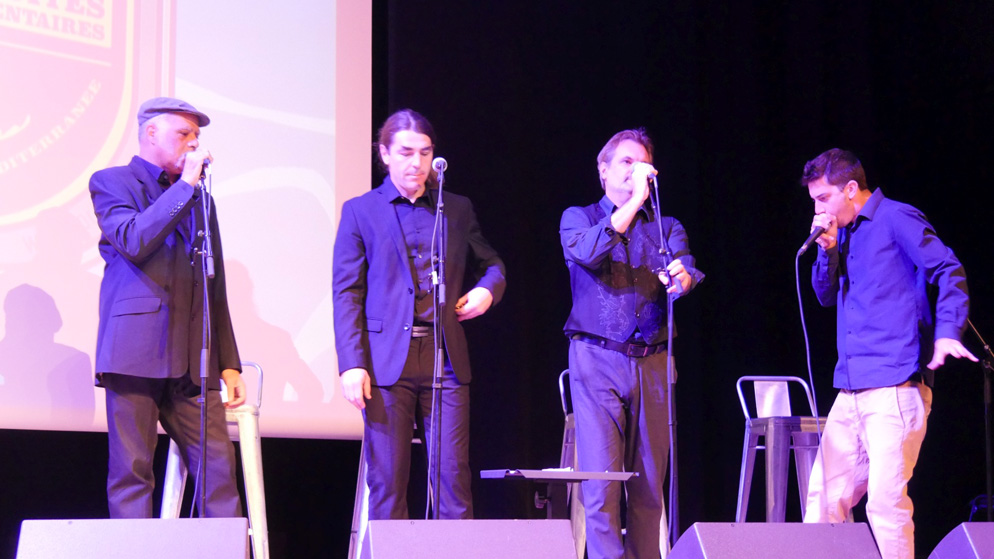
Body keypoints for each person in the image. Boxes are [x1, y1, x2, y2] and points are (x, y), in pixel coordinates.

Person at [801, 148, 976, 559]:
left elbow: (948, 268)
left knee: (884, 505)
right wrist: (826, 250)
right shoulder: (842, 234)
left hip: (894, 387)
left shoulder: (896, 218)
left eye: (823, 198)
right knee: (823, 502)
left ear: (850, 189)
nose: (818, 209)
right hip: (850, 390)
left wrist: (948, 332)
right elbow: (825, 296)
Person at [333, 109, 506, 519]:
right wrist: (352, 363)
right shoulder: (360, 211)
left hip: (444, 357)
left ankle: (454, 549)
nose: (417, 163)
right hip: (385, 360)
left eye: (425, 153)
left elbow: (492, 264)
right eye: (406, 153)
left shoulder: (455, 208)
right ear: (384, 154)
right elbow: (347, 292)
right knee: (388, 482)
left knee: (453, 479)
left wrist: (487, 290)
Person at [89, 97, 246, 518]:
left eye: (197, 135)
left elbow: (214, 285)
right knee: (133, 470)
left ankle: (225, 548)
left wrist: (229, 364)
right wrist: (184, 188)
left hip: (193, 363)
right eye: (184, 133)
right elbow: (134, 239)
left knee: (218, 471)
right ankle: (135, 548)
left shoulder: (200, 200)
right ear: (151, 133)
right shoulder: (112, 182)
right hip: (134, 355)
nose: (193, 143)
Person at [560, 128, 703, 559]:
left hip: (654, 361)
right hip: (597, 358)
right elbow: (587, 253)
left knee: (648, 486)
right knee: (602, 485)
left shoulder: (666, 225)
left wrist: (683, 278)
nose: (635, 170)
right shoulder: (578, 217)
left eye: (642, 163)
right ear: (603, 170)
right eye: (626, 161)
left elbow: (685, 266)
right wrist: (636, 199)